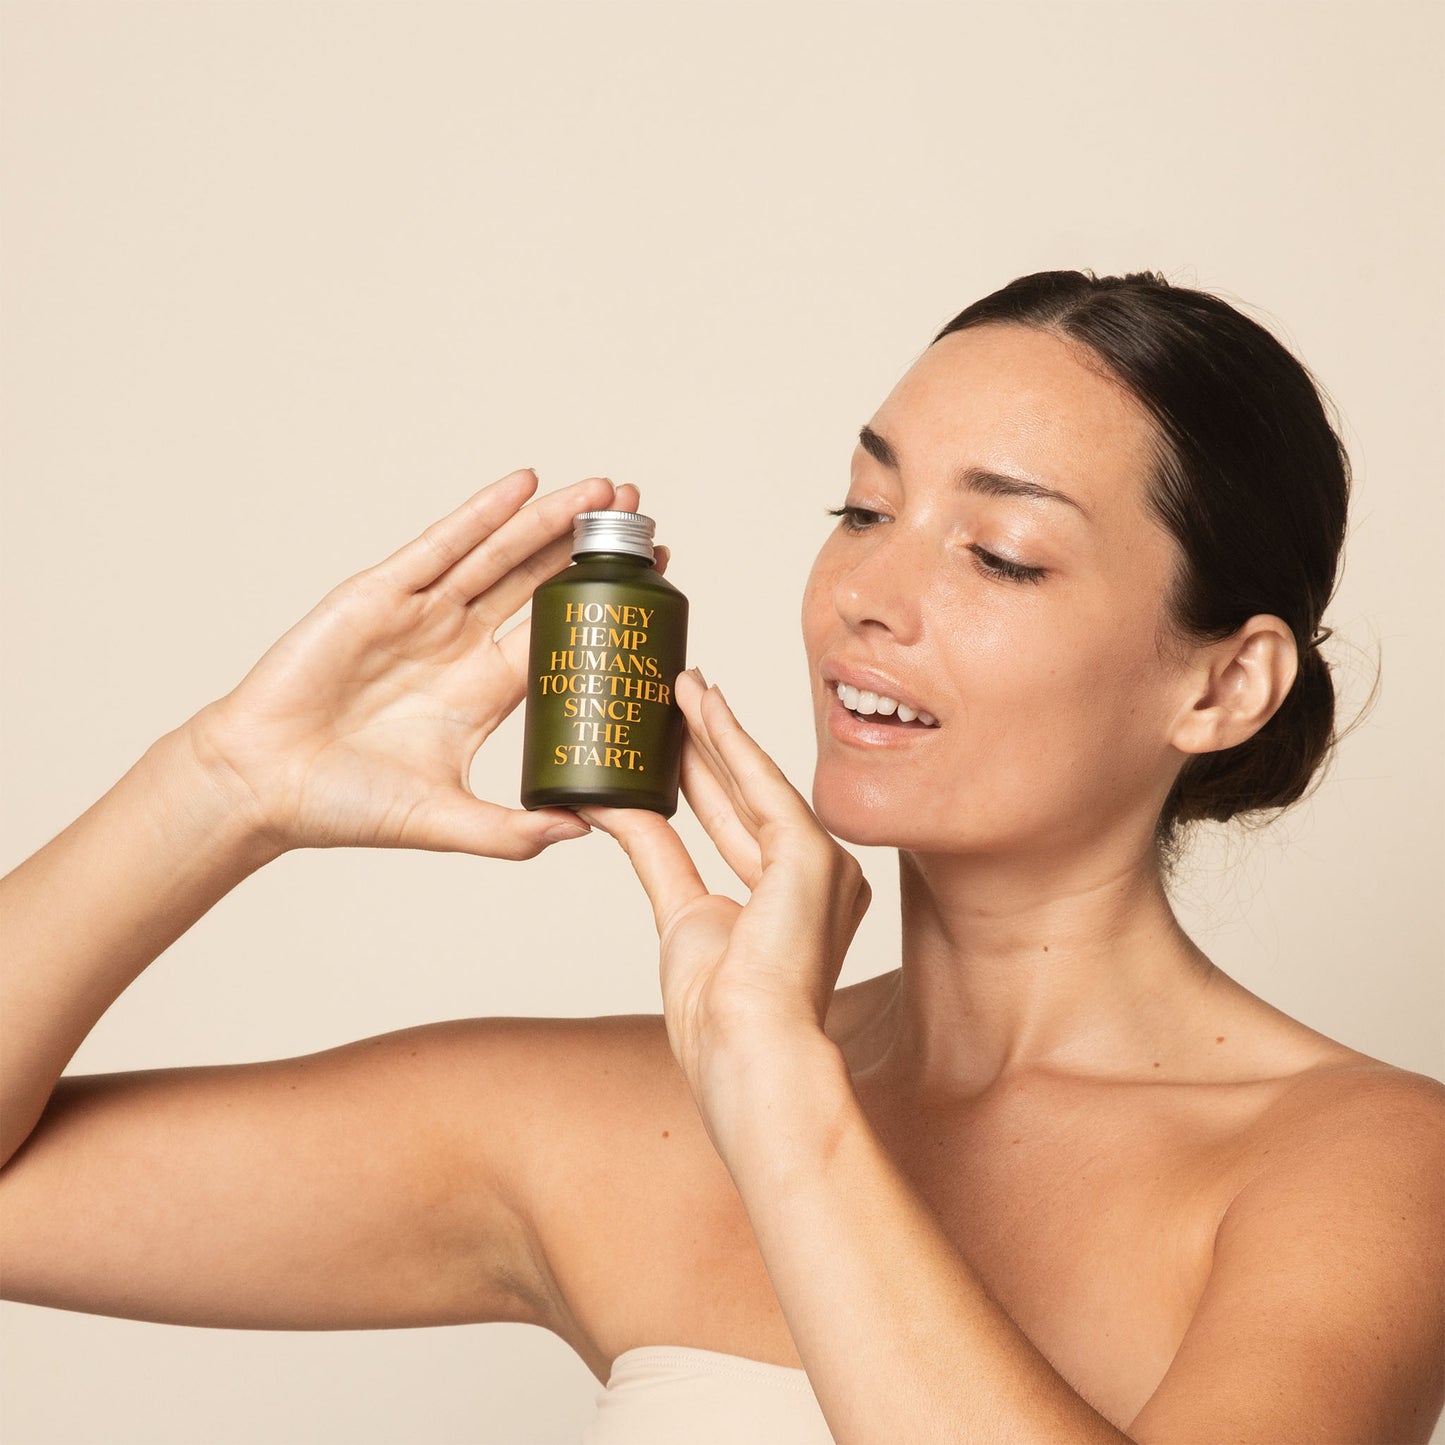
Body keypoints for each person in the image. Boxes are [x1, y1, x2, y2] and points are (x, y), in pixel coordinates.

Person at [1, 269, 1440, 1444]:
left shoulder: (1362, 1168)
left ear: (1222, 684)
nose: (870, 594)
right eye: (863, 511)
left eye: (996, 551)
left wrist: (779, 1093)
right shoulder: (611, 1122)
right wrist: (220, 785)